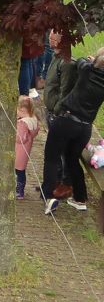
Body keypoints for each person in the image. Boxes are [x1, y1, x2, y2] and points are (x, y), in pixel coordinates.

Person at [42, 46, 104, 215]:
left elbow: (82, 61)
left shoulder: (87, 70)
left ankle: (48, 196)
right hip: (85, 127)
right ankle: (80, 198)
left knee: (52, 157)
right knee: (72, 159)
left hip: (67, 120)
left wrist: (91, 61)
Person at [15, 94, 40, 198]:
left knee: (18, 170)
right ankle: (21, 189)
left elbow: (20, 138)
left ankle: (19, 191)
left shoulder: (22, 123)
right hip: (26, 149)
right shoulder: (33, 119)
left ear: (21, 109)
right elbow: (36, 130)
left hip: (19, 150)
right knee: (22, 170)